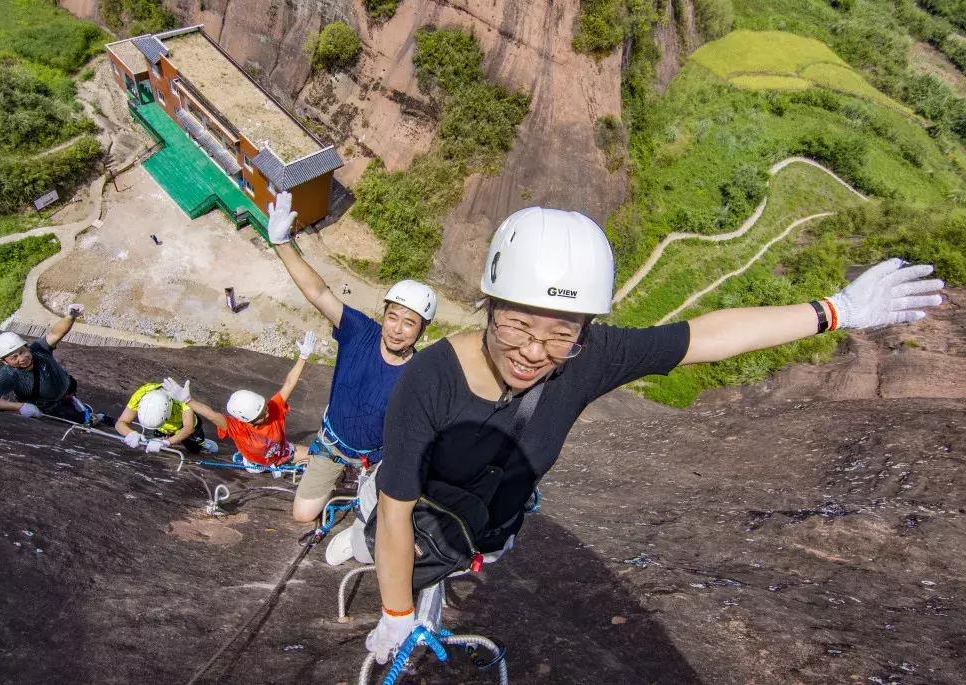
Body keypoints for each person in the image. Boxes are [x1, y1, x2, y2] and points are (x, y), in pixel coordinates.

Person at [363, 206, 945, 664]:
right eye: (517, 324)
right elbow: (397, 510)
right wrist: (394, 613)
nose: (533, 352)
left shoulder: (588, 358)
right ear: (488, 306)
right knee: (413, 581)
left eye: (560, 333)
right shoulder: (430, 379)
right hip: (420, 524)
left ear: (585, 330)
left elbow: (702, 337)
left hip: (487, 527)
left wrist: (835, 310)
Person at [263, 191, 438, 525]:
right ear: (383, 314)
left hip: (377, 459)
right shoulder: (360, 331)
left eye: (409, 323)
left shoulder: (420, 371)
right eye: (393, 316)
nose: (397, 329)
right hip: (333, 443)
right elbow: (318, 292)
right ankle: (318, 466)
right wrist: (282, 243)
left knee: (380, 523)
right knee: (302, 515)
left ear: (421, 331)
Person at [161, 331, 317, 470]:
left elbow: (289, 383)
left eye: (265, 409)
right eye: (262, 414)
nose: (267, 413)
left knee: (320, 459)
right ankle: (253, 462)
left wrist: (303, 357)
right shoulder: (238, 428)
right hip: (256, 462)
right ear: (247, 420)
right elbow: (212, 416)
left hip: (284, 452)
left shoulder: (274, 408)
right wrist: (187, 401)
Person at [0, 305, 109, 425]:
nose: (22, 358)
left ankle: (82, 409)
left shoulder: (38, 349)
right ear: (4, 361)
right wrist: (19, 407)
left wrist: (70, 317)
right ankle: (97, 417)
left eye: (22, 351)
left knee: (79, 409)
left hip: (68, 389)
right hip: (50, 407)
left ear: (26, 346)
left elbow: (56, 333)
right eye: (14, 357)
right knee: (86, 421)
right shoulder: (9, 375)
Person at [114, 383, 218, 455]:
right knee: (156, 440)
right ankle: (165, 435)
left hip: (184, 426)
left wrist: (167, 442)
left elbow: (188, 427)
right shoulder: (142, 394)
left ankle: (202, 442)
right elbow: (121, 422)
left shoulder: (180, 397)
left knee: (194, 450)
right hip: (162, 427)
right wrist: (130, 433)